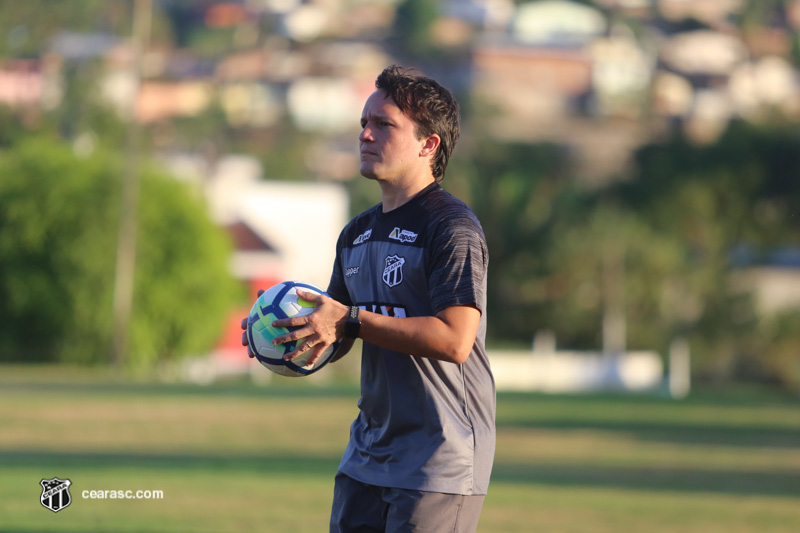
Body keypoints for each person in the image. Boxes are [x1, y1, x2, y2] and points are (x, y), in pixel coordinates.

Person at [242, 65, 495, 532]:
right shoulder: (356, 234)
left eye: (383, 124)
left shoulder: (451, 227)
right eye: (364, 122)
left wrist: (353, 319)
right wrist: (282, 331)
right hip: (366, 455)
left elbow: (456, 341)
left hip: (438, 460)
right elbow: (337, 329)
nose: (365, 134)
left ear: (428, 144)